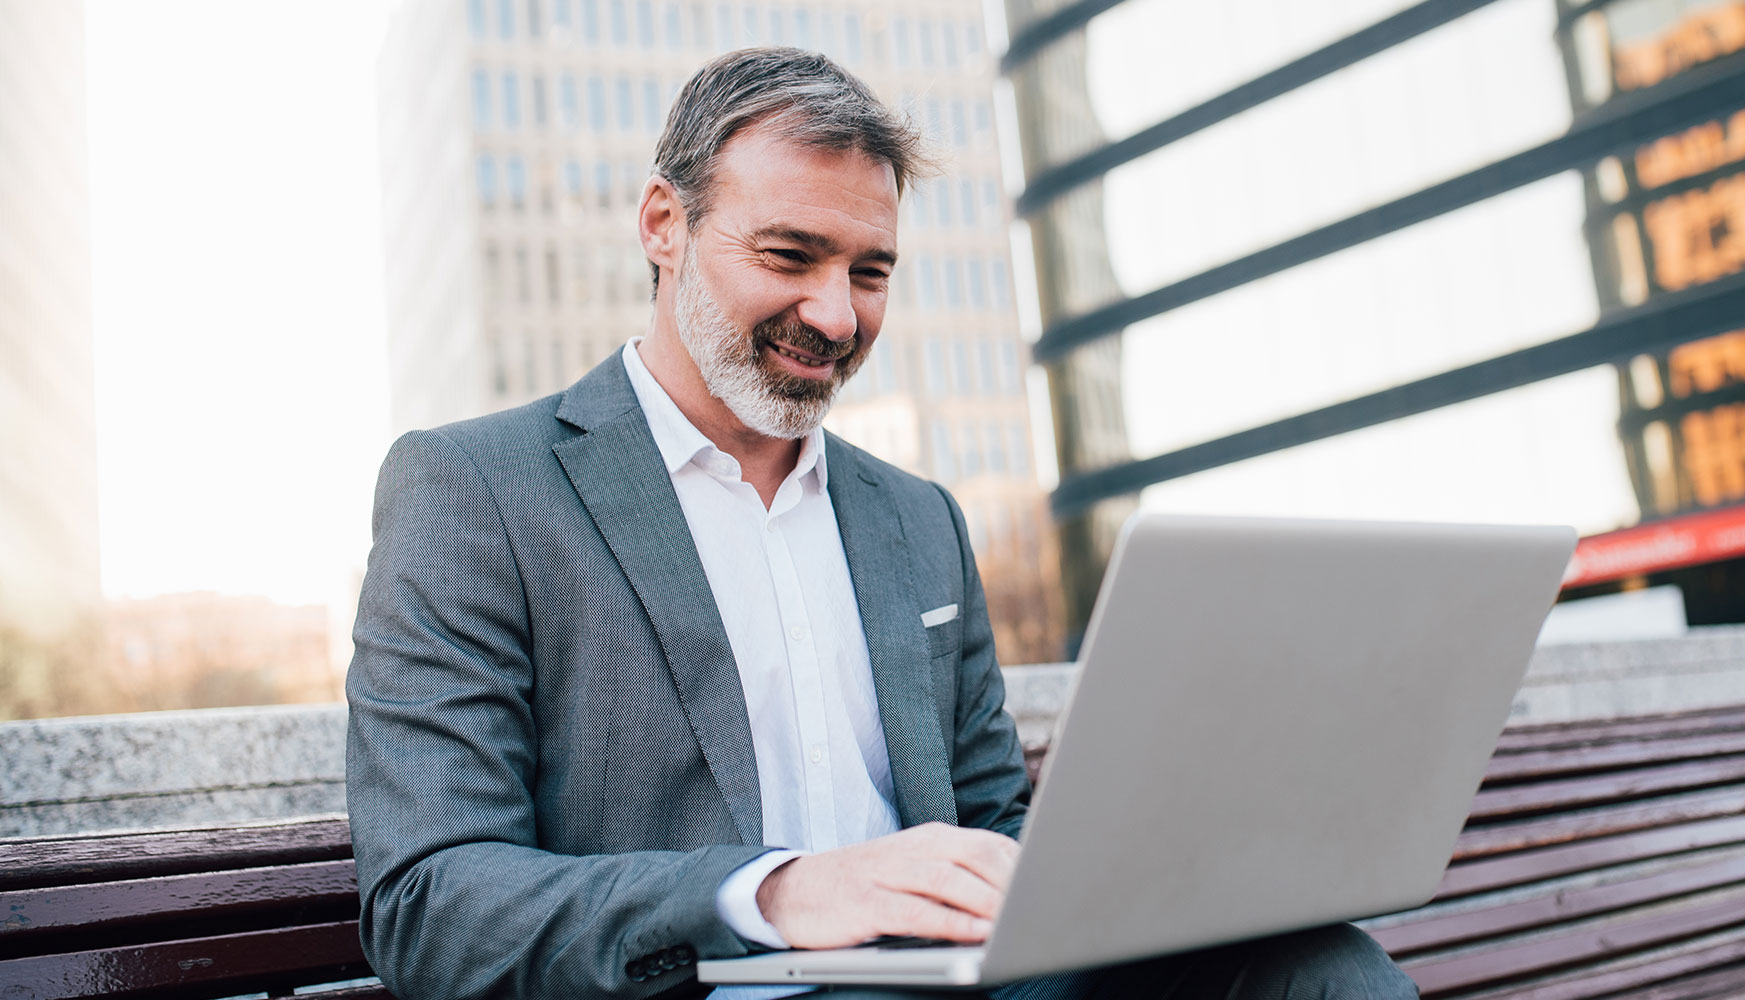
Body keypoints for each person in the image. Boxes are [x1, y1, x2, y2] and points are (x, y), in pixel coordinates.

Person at [345, 46, 1417, 1000]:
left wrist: (1155, 870)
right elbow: (431, 906)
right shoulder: (474, 490)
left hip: (958, 979)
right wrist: (779, 893)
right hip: (704, 985)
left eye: (869, 272)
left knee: (1313, 962)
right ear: (664, 227)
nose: (836, 315)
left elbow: (995, 823)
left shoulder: (916, 519)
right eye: (789, 256)